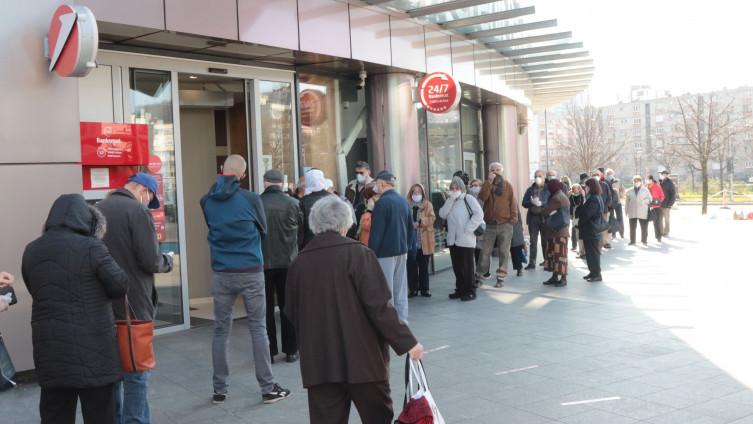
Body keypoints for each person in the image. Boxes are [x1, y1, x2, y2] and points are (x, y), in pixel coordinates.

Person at [285, 195, 424, 424]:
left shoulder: (299, 262)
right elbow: (379, 307)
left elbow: (291, 310)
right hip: (364, 362)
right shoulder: (359, 254)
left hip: (321, 363)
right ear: (346, 223)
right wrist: (408, 343)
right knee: (378, 418)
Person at [22, 194, 129, 424]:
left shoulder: (31, 250)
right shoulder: (93, 248)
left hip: (51, 353)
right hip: (95, 354)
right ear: (86, 219)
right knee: (101, 415)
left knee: (55, 416)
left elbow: (35, 289)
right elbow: (119, 285)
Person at [200, 155, 291, 405]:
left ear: (222, 170)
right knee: (258, 328)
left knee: (220, 330)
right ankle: (267, 387)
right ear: (242, 175)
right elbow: (263, 229)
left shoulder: (206, 200)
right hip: (250, 269)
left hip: (221, 272)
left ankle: (219, 389)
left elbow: (212, 225)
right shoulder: (251, 199)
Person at [97, 172, 174, 424]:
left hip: (103, 301)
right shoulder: (137, 212)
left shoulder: (98, 209)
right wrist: (168, 261)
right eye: (148, 197)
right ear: (144, 191)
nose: (147, 202)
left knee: (113, 368)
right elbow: (150, 259)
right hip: (134, 302)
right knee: (137, 369)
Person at [260, 169, 303, 364]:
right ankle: (291, 350)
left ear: (265, 183)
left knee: (265, 308)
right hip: (288, 262)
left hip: (263, 261)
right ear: (281, 183)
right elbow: (301, 233)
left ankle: (269, 350)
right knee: (288, 306)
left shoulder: (257, 203)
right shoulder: (293, 203)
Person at [368, 171, 414, 322]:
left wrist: (371, 254)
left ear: (382, 183)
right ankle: (402, 319)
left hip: (385, 253)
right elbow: (410, 228)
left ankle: (389, 321)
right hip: (401, 250)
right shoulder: (403, 201)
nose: (375, 187)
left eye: (376, 184)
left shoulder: (382, 203)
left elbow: (377, 233)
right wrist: (408, 247)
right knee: (400, 288)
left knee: (386, 289)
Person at [439, 177, 484, 301]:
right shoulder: (450, 200)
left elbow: (479, 214)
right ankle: (460, 289)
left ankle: (470, 291)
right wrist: (450, 201)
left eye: (457, 188)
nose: (454, 190)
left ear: (462, 188)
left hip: (466, 239)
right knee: (457, 267)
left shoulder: (468, 199)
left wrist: (469, 228)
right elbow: (442, 214)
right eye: (452, 188)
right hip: (452, 240)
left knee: (467, 267)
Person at [478, 163, 517, 287]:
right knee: (485, 251)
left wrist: (513, 219)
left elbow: (513, 203)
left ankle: (501, 276)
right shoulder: (487, 184)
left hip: (505, 224)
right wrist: (488, 182)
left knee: (503, 252)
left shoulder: (507, 185)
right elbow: (482, 197)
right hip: (490, 224)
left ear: (502, 171)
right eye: (492, 170)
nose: (495, 172)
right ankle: (479, 275)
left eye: (497, 170)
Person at [406, 184, 436, 298]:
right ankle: (413, 289)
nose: (416, 195)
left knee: (424, 266)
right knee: (411, 266)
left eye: (419, 192)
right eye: (414, 192)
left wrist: (420, 222)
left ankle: (425, 289)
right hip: (410, 241)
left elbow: (432, 218)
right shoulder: (406, 204)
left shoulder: (427, 204)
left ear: (423, 193)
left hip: (424, 241)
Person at [542, 179, 571, 287]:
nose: (548, 189)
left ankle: (563, 279)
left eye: (549, 187)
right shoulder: (561, 195)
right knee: (556, 255)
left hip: (558, 232)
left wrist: (541, 206)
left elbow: (546, 211)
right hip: (558, 231)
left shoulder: (556, 198)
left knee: (560, 256)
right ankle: (555, 277)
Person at [576, 178, 605, 282]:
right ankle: (592, 272)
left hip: (592, 230)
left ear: (591, 187)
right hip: (591, 230)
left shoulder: (594, 199)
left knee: (593, 253)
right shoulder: (593, 197)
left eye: (587, 186)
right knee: (589, 253)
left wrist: (579, 222)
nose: (585, 188)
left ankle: (596, 274)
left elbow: (587, 214)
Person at [522, 170, 550, 270]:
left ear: (544, 177)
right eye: (535, 176)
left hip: (545, 218)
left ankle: (547, 262)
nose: (537, 177)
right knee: (533, 242)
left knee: (545, 241)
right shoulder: (530, 189)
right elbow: (524, 203)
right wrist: (532, 202)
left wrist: (541, 203)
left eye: (539, 176)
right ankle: (532, 263)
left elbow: (552, 202)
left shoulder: (548, 189)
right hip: (533, 218)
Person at [300, 169, 333, 248]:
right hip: (332, 243)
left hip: (310, 245)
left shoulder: (303, 202)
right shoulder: (334, 199)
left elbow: (300, 229)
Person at [625, 175, 651, 246]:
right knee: (632, 227)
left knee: (644, 227)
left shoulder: (645, 190)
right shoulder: (629, 191)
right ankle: (632, 241)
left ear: (641, 182)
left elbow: (650, 199)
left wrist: (646, 201)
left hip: (642, 211)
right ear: (633, 182)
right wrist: (626, 211)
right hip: (632, 211)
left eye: (638, 181)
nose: (636, 182)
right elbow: (627, 201)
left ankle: (644, 240)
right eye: (635, 181)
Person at [592, 169, 614, 250]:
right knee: (595, 227)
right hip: (593, 211)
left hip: (604, 210)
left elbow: (609, 197)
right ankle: (597, 243)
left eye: (597, 175)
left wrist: (606, 206)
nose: (596, 176)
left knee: (604, 226)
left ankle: (606, 242)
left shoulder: (605, 185)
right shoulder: (590, 185)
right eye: (594, 175)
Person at [468, 179, 484, 272]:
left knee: (480, 251)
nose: (475, 187)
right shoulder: (468, 198)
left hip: (481, 229)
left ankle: (481, 272)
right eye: (473, 185)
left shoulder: (484, 198)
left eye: (477, 185)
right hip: (470, 228)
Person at [605, 169, 625, 240]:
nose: (610, 175)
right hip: (610, 203)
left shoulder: (618, 181)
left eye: (611, 173)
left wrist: (620, 195)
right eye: (608, 173)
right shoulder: (605, 181)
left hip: (618, 202)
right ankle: (613, 233)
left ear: (613, 174)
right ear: (606, 174)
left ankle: (621, 232)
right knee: (611, 218)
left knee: (620, 217)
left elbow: (622, 189)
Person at [569, 184, 586, 258]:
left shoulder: (582, 196)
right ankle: (580, 250)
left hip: (580, 217)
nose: (575, 190)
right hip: (574, 217)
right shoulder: (571, 196)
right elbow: (570, 205)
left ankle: (582, 251)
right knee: (576, 233)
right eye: (574, 189)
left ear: (579, 189)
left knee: (580, 234)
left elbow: (582, 205)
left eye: (577, 188)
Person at [647, 175, 665, 242]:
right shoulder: (646, 187)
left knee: (656, 222)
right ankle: (644, 238)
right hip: (648, 207)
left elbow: (662, 196)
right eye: (647, 180)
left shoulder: (657, 186)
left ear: (652, 179)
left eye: (649, 179)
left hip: (656, 207)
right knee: (645, 222)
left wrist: (658, 201)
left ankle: (658, 236)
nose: (648, 181)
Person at [510, 209, 527, 277]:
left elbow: (518, 216)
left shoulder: (513, 200)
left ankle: (519, 268)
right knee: (503, 250)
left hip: (514, 225)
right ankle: (501, 271)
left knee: (516, 248)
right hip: (501, 224)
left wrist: (520, 227)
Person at [659, 170, 677, 236]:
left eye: (665, 174)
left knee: (666, 219)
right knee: (659, 219)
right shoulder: (659, 182)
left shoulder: (670, 183)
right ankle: (661, 231)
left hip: (666, 205)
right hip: (659, 204)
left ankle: (666, 232)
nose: (664, 175)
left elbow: (673, 194)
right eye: (663, 174)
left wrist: (670, 204)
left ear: (667, 175)